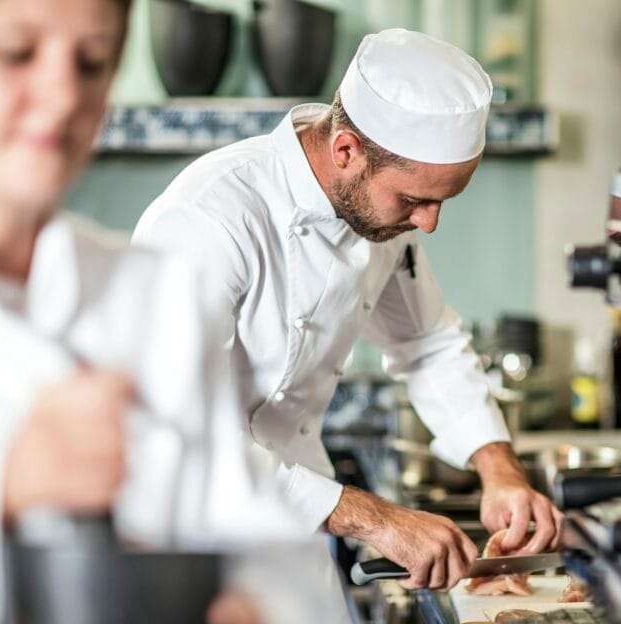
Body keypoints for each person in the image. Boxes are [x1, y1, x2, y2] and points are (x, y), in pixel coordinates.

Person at [0, 0, 352, 624]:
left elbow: (274, 552)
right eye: (15, 53)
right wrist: (4, 492)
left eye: (92, 62)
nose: (64, 96)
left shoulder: (150, 295)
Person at [133, 29, 563, 591]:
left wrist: (499, 469)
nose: (429, 223)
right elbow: (175, 431)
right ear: (346, 151)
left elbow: (425, 342)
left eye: (442, 200)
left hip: (296, 527)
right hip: (191, 552)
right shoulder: (209, 221)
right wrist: (380, 520)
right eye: (415, 200)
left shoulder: (378, 213)